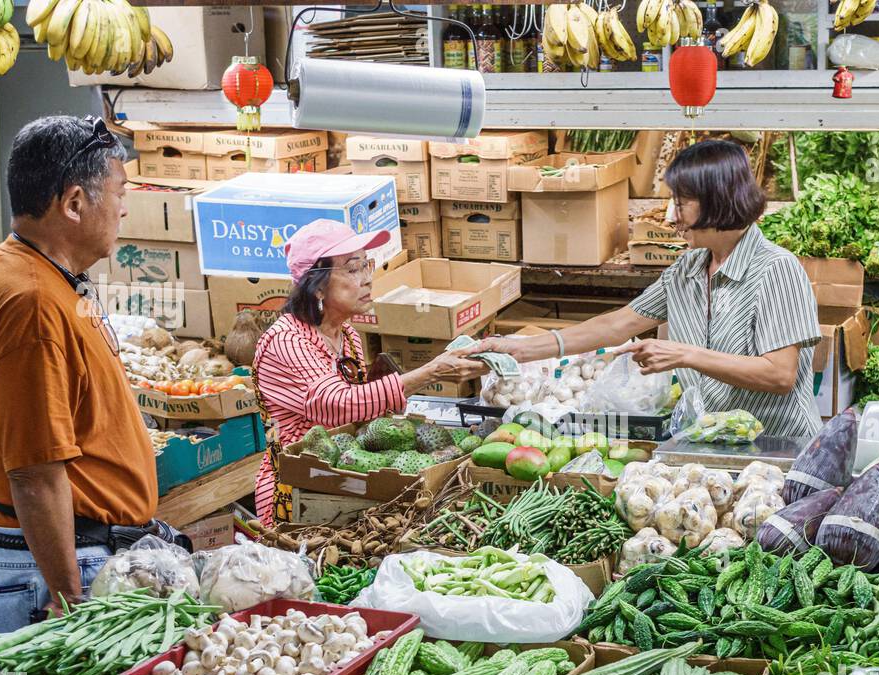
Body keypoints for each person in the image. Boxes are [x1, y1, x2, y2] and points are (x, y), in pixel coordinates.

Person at [0, 115, 179, 638]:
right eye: (120, 192)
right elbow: (34, 472)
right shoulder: (31, 301)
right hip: (57, 573)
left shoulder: (39, 276)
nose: (125, 208)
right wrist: (67, 599)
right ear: (75, 203)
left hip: (79, 557)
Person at [472, 139, 822, 439]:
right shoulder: (688, 269)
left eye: (681, 203)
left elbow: (779, 374)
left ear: (717, 201)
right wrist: (519, 350)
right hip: (713, 440)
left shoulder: (776, 269)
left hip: (778, 448)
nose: (671, 217)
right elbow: (614, 326)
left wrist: (684, 354)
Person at [252, 219, 481, 525]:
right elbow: (335, 405)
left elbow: (360, 410)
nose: (367, 279)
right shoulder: (288, 341)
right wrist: (430, 373)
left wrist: (390, 405)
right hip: (298, 490)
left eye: (366, 265)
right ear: (317, 285)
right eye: (352, 268)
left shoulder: (346, 334)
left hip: (344, 479)